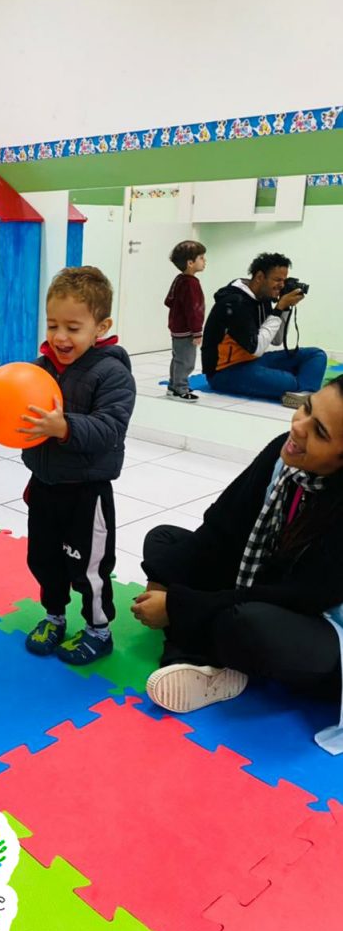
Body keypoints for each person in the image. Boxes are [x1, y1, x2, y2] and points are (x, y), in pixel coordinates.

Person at [132, 378, 343, 753]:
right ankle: (210, 655)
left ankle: (199, 659)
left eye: (320, 433)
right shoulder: (283, 453)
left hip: (322, 630)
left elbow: (296, 597)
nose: (299, 427)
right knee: (163, 541)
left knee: (247, 624)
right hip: (269, 586)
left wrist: (178, 605)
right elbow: (221, 526)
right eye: (307, 408)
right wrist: (166, 580)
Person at [21, 266, 136, 666]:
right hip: (44, 484)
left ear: (101, 327)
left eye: (73, 327)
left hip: (87, 492)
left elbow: (111, 428)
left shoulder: (112, 373)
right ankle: (54, 616)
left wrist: (64, 427)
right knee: (43, 559)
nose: (60, 337)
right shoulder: (41, 367)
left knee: (89, 567)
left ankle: (98, 630)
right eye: (53, 325)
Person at [201, 252, 326, 407]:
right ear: (260, 277)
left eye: (284, 280)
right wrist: (278, 309)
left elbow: (276, 340)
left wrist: (284, 308)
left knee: (316, 355)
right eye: (278, 280)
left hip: (253, 361)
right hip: (225, 371)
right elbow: (256, 348)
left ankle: (303, 394)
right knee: (289, 381)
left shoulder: (263, 297)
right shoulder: (235, 302)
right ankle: (303, 389)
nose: (282, 285)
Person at [164, 240, 206, 402]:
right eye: (201, 258)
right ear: (190, 263)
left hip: (177, 327)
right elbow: (194, 310)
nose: (204, 261)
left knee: (178, 358)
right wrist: (197, 331)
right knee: (186, 361)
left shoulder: (179, 279)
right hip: (187, 329)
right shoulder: (191, 284)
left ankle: (173, 386)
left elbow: (168, 301)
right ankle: (180, 389)